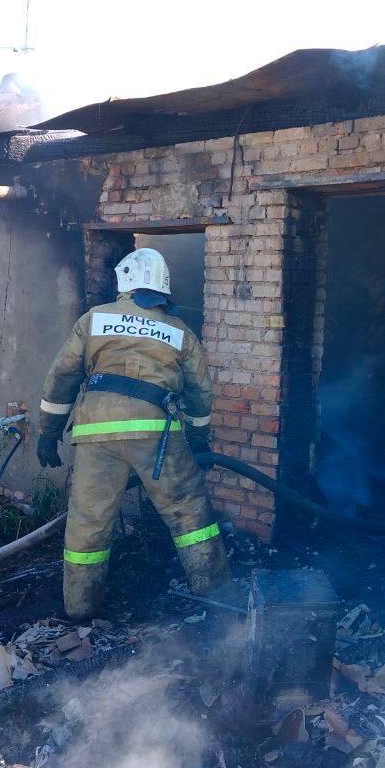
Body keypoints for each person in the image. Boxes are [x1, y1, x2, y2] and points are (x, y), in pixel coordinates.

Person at [35, 247, 229, 618]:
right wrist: (200, 437)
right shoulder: (178, 331)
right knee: (189, 514)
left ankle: (80, 608)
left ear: (124, 281)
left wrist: (48, 432)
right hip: (157, 435)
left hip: (96, 434)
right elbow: (200, 391)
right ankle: (217, 596)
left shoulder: (94, 319)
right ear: (164, 288)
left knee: (88, 522)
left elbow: (61, 377)